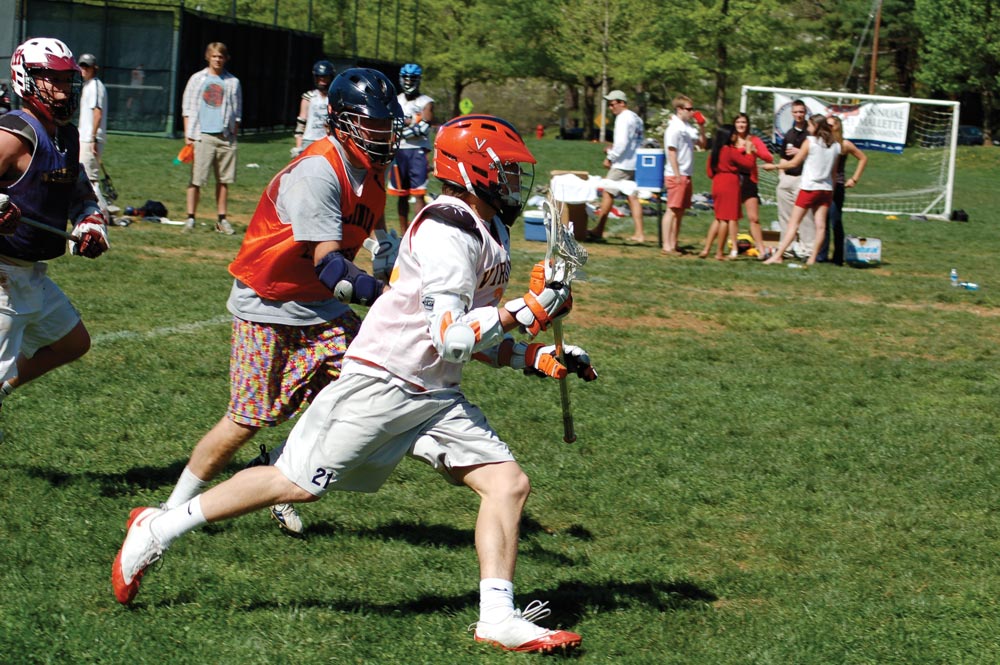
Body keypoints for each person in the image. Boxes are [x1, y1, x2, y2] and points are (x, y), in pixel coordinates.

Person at [113, 114, 596, 654]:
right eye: (505, 171)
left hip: (433, 393)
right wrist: (529, 309)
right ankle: (158, 528)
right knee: (295, 484)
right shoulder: (447, 230)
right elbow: (453, 338)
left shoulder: (491, 230)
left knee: (507, 485)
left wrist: (536, 356)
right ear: (472, 171)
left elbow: (475, 337)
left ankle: (498, 618)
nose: (513, 183)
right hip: (383, 382)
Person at [160, 68, 404, 536]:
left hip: (320, 307)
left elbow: (370, 223)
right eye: (371, 124)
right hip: (268, 302)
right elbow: (331, 269)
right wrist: (388, 297)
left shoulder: (372, 169)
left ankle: (275, 469)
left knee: (366, 386)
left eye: (385, 124)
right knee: (246, 419)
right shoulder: (318, 171)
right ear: (342, 123)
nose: (381, 134)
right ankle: (169, 510)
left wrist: (386, 254)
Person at [0, 38, 110, 431]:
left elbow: (81, 193)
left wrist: (91, 223)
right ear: (26, 80)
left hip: (30, 273)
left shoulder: (66, 136)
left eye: (66, 80)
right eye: (53, 80)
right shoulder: (14, 134)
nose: (62, 90)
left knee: (72, 342)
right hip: (3, 278)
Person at [763, 114, 841, 266]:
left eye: (810, 125)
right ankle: (812, 258)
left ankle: (778, 256)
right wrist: (832, 191)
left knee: (793, 223)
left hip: (809, 188)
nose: (808, 128)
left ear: (816, 126)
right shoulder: (836, 146)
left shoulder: (810, 141)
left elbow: (793, 163)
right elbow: (834, 172)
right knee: (820, 226)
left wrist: (774, 166)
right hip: (826, 189)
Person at [181, 42, 242, 235]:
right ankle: (191, 218)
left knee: (223, 180)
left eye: (221, 56)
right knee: (196, 179)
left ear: (226, 59)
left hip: (225, 136)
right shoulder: (197, 79)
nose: (217, 60)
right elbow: (187, 108)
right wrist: (189, 135)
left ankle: (222, 220)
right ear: (208, 57)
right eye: (214, 56)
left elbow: (237, 110)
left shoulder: (233, 82)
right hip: (202, 135)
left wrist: (233, 133)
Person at [586, 90, 645, 243]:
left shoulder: (623, 118)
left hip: (622, 164)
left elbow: (622, 143)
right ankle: (639, 233)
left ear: (622, 103)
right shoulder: (636, 118)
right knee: (632, 197)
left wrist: (610, 157)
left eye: (613, 104)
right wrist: (613, 148)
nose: (611, 108)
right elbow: (634, 142)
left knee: (608, 193)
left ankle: (598, 230)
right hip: (635, 162)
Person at [699, 124, 758, 260]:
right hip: (730, 184)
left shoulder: (715, 151)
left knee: (718, 218)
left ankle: (706, 249)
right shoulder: (729, 150)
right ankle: (719, 252)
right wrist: (749, 151)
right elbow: (748, 164)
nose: (736, 136)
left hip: (717, 182)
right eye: (734, 134)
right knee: (726, 219)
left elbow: (709, 172)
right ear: (729, 136)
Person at [387, 63, 433, 233]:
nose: (408, 82)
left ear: (418, 80)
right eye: (406, 78)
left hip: (417, 151)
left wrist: (402, 128)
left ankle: (417, 234)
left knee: (418, 194)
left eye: (412, 78)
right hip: (399, 151)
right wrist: (413, 122)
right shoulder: (396, 100)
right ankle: (404, 233)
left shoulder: (426, 102)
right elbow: (390, 122)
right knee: (401, 195)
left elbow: (424, 128)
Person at [660, 94, 706, 255]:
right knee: (672, 209)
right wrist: (677, 174)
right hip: (676, 173)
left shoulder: (687, 127)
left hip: (687, 172)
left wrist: (702, 126)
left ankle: (674, 243)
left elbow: (702, 144)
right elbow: (671, 152)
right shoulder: (674, 128)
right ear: (679, 109)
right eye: (689, 109)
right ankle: (666, 245)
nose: (692, 112)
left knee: (680, 211)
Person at [818, 115, 867, 265]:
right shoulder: (822, 142)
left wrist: (854, 179)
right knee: (822, 221)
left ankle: (838, 257)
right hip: (823, 185)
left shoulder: (844, 144)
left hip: (837, 186)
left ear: (838, 126)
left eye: (831, 125)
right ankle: (821, 255)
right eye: (826, 125)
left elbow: (863, 158)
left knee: (835, 221)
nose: (828, 128)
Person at [774, 99, 814, 258]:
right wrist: (781, 176)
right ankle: (787, 248)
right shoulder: (789, 134)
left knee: (805, 216)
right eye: (796, 112)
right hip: (787, 178)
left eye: (801, 112)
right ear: (791, 113)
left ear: (805, 113)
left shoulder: (811, 134)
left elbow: (816, 155)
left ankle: (807, 249)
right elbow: (783, 156)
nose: (798, 115)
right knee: (785, 216)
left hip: (803, 178)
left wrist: (800, 152)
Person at [732, 113, 773, 259]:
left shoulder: (754, 140)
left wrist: (755, 150)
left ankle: (761, 249)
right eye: (738, 122)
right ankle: (734, 249)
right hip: (734, 180)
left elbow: (769, 157)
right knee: (732, 217)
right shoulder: (731, 140)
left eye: (743, 122)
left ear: (748, 124)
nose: (741, 125)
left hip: (750, 180)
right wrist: (741, 150)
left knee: (754, 218)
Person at [76, 53, 109, 211]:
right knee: (86, 176)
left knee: (90, 178)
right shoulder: (89, 85)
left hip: (90, 138)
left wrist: (93, 138)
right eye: (81, 66)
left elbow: (97, 113)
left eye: (87, 66)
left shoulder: (95, 86)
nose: (84, 69)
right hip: (86, 137)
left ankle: (101, 211)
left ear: (94, 68)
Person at [291, 60, 334, 158]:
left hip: (328, 140)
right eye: (319, 77)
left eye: (325, 77)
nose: (322, 80)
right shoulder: (308, 97)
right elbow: (301, 122)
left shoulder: (334, 98)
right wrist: (299, 146)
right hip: (309, 139)